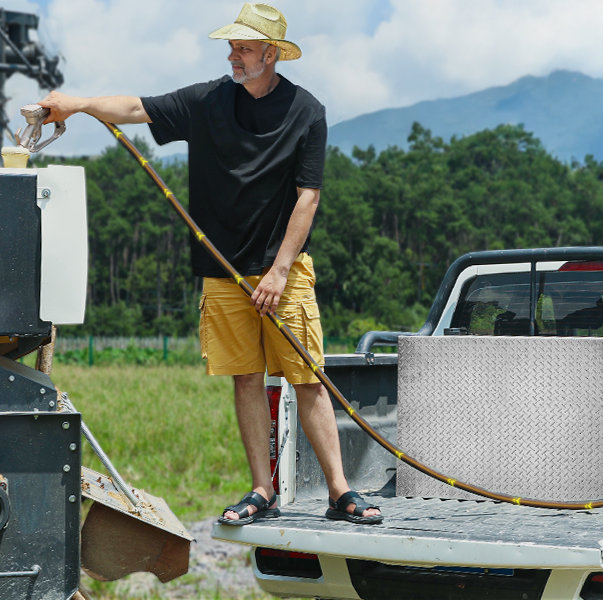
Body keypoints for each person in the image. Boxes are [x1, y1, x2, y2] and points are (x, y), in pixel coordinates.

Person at [35, 3, 381, 526]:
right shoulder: (208, 100)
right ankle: (261, 490)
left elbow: (307, 197)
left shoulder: (306, 111)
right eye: (232, 47)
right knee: (245, 378)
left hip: (281, 273)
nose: (232, 56)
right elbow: (136, 108)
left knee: (307, 378)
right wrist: (78, 104)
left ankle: (339, 491)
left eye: (242, 48)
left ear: (270, 54)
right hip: (223, 275)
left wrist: (280, 270)